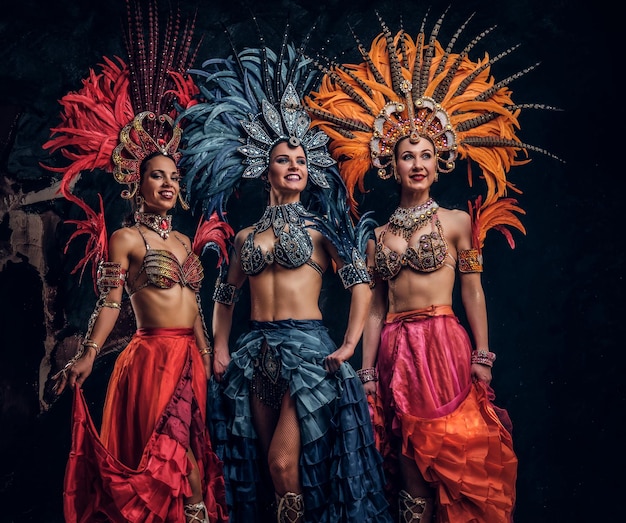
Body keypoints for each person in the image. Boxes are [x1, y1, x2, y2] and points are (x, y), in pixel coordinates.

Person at [304, 9, 557, 522]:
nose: (416, 163)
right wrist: (369, 371)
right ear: (388, 163)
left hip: (444, 342)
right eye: (405, 155)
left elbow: (474, 293)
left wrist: (482, 353)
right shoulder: (376, 237)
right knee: (408, 464)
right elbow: (375, 309)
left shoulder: (458, 222)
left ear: (439, 159)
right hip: (397, 349)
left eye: (424, 153)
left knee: (455, 453)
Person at [179, 37, 393, 523]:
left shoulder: (323, 230)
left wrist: (348, 345)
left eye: (300, 160)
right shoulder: (245, 237)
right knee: (264, 467)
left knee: (284, 460)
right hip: (256, 353)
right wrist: (222, 346)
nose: (294, 165)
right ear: (265, 169)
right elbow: (226, 293)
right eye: (283, 159)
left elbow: (360, 286)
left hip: (308, 351)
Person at [43, 2, 229, 521]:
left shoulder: (187, 242)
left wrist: (208, 354)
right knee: (172, 467)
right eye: (156, 176)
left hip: (188, 362)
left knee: (194, 467)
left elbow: (192, 305)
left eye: (173, 176)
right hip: (149, 364)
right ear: (137, 183)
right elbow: (109, 303)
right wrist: (87, 353)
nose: (168, 183)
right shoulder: (125, 238)